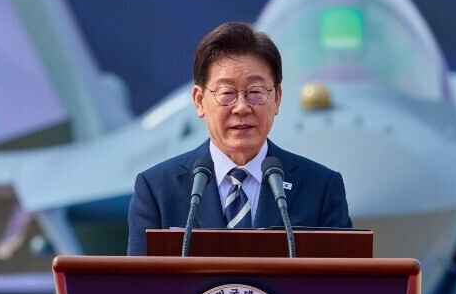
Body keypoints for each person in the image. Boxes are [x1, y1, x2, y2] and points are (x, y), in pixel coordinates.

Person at [126, 21, 352, 255]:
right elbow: (140, 279)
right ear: (200, 101)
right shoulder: (158, 189)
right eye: (226, 93)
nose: (242, 107)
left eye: (255, 92)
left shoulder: (321, 188)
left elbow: (342, 278)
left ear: (277, 98)